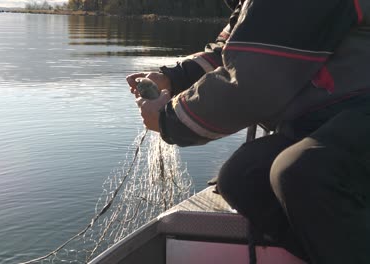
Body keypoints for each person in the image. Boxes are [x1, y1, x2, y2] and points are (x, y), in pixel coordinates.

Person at [126, 0, 370, 263]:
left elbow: (252, 81)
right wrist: (173, 79)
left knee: (303, 173)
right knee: (243, 177)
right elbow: (234, 51)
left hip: (355, 109)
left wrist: (169, 121)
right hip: (326, 117)